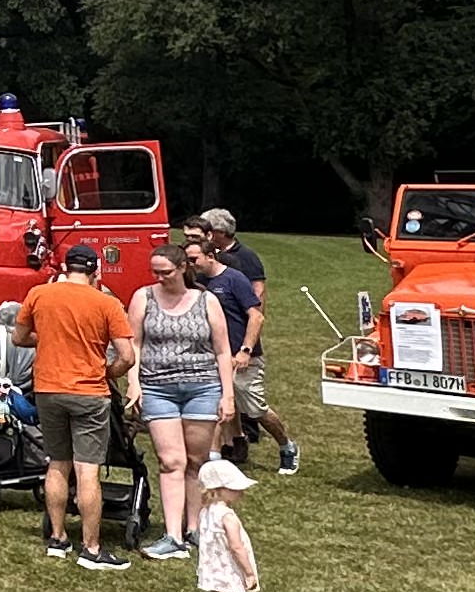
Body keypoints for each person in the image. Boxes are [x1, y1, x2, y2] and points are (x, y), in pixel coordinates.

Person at [15, 245, 134, 569]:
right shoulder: (106, 303)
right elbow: (127, 356)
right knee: (87, 470)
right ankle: (91, 548)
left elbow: (19, 337)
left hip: (48, 389)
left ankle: (58, 538)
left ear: (65, 268)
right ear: (96, 271)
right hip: (88, 392)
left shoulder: (39, 294)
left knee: (57, 463)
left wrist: (49, 339)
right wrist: (108, 373)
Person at [128, 246, 236, 560]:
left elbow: (222, 351)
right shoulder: (143, 298)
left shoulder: (206, 301)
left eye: (166, 272)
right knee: (170, 461)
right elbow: (134, 343)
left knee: (195, 461)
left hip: (203, 387)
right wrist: (134, 382)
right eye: (155, 272)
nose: (160, 277)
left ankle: (194, 528)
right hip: (157, 388)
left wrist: (227, 395)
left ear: (181, 268)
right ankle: (173, 536)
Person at [193, 211, 295, 473]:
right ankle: (216, 458)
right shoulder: (199, 282)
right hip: (216, 354)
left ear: (210, 255)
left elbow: (256, 316)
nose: (191, 265)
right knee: (217, 405)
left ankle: (287, 446)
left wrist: (246, 350)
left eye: (194, 260)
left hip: (242, 355)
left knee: (255, 410)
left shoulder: (234, 279)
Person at [193, 457, 266, 592]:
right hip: (229, 572)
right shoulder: (228, 517)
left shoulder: (205, 513)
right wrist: (249, 572)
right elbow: (236, 547)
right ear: (219, 489)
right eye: (235, 488)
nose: (241, 492)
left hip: (212, 570)